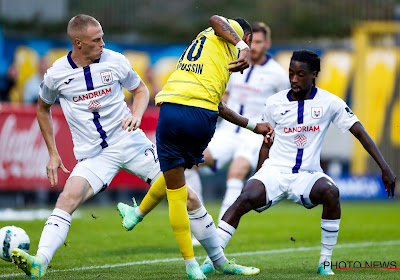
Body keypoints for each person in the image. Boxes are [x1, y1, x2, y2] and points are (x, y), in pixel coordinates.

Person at [200, 50, 396, 275]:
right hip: (274, 171)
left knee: (331, 193)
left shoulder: (330, 102)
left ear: (314, 74)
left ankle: (325, 262)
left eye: (300, 74)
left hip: (307, 174)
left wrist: (385, 168)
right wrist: (257, 175)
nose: (294, 79)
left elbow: (360, 133)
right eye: (291, 73)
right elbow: (267, 141)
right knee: (243, 198)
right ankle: (211, 259)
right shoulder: (274, 103)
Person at [117, 15, 273, 278]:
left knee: (176, 185)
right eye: (247, 42)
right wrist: (243, 47)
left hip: (171, 111)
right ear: (244, 37)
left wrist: (251, 125)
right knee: (177, 183)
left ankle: (188, 259)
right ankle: (145, 220)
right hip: (199, 117)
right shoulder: (232, 38)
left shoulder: (206, 49)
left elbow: (220, 105)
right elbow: (216, 18)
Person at [185, 22, 289, 223]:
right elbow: (224, 96)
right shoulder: (234, 62)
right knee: (189, 161)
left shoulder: (278, 74)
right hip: (228, 131)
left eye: (259, 42)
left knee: (236, 171)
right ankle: (200, 222)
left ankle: (222, 229)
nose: (254, 47)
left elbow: (283, 109)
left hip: (253, 135)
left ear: (267, 43)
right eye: (252, 42)